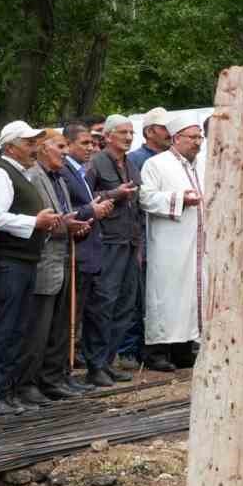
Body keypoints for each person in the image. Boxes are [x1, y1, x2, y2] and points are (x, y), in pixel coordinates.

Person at [0, 121, 62, 417]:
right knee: (2, 328)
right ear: (10, 146)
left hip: (22, 260)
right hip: (6, 261)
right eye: (28, 143)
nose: (34, 147)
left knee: (16, 329)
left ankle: (7, 391)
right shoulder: (0, 173)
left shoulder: (20, 173)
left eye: (36, 141)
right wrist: (34, 223)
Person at [17, 131, 84, 403]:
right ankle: (28, 383)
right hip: (44, 261)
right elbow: (39, 218)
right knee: (38, 327)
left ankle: (53, 378)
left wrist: (74, 224)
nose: (65, 152)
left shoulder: (59, 179)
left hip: (63, 258)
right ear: (44, 149)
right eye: (60, 146)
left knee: (58, 326)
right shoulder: (34, 176)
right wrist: (65, 224)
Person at [137, 118, 208, 371]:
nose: (198, 143)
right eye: (192, 138)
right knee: (167, 295)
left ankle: (184, 348)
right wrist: (179, 199)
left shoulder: (202, 165)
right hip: (169, 242)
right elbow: (145, 197)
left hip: (198, 242)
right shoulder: (156, 164)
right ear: (177, 138)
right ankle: (157, 351)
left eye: (200, 138)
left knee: (191, 294)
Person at [86, 115, 141, 385]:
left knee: (125, 304)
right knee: (103, 303)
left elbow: (138, 205)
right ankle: (95, 365)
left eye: (131, 132)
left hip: (130, 242)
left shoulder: (130, 164)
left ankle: (108, 362)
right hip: (107, 243)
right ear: (107, 136)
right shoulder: (95, 163)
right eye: (123, 132)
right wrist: (113, 194)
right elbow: (85, 200)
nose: (129, 137)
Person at [61, 121, 114, 382]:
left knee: (98, 311)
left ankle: (98, 366)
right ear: (68, 144)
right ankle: (64, 372)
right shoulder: (63, 172)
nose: (91, 147)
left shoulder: (81, 172)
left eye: (93, 143)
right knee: (72, 318)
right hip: (77, 254)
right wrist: (92, 211)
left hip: (94, 252)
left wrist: (95, 208)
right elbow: (67, 212)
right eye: (85, 143)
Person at [123, 109, 170, 368]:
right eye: (164, 128)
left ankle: (154, 346)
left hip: (164, 237)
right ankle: (130, 348)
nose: (168, 133)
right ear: (150, 131)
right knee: (138, 294)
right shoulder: (136, 160)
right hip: (141, 236)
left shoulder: (173, 160)